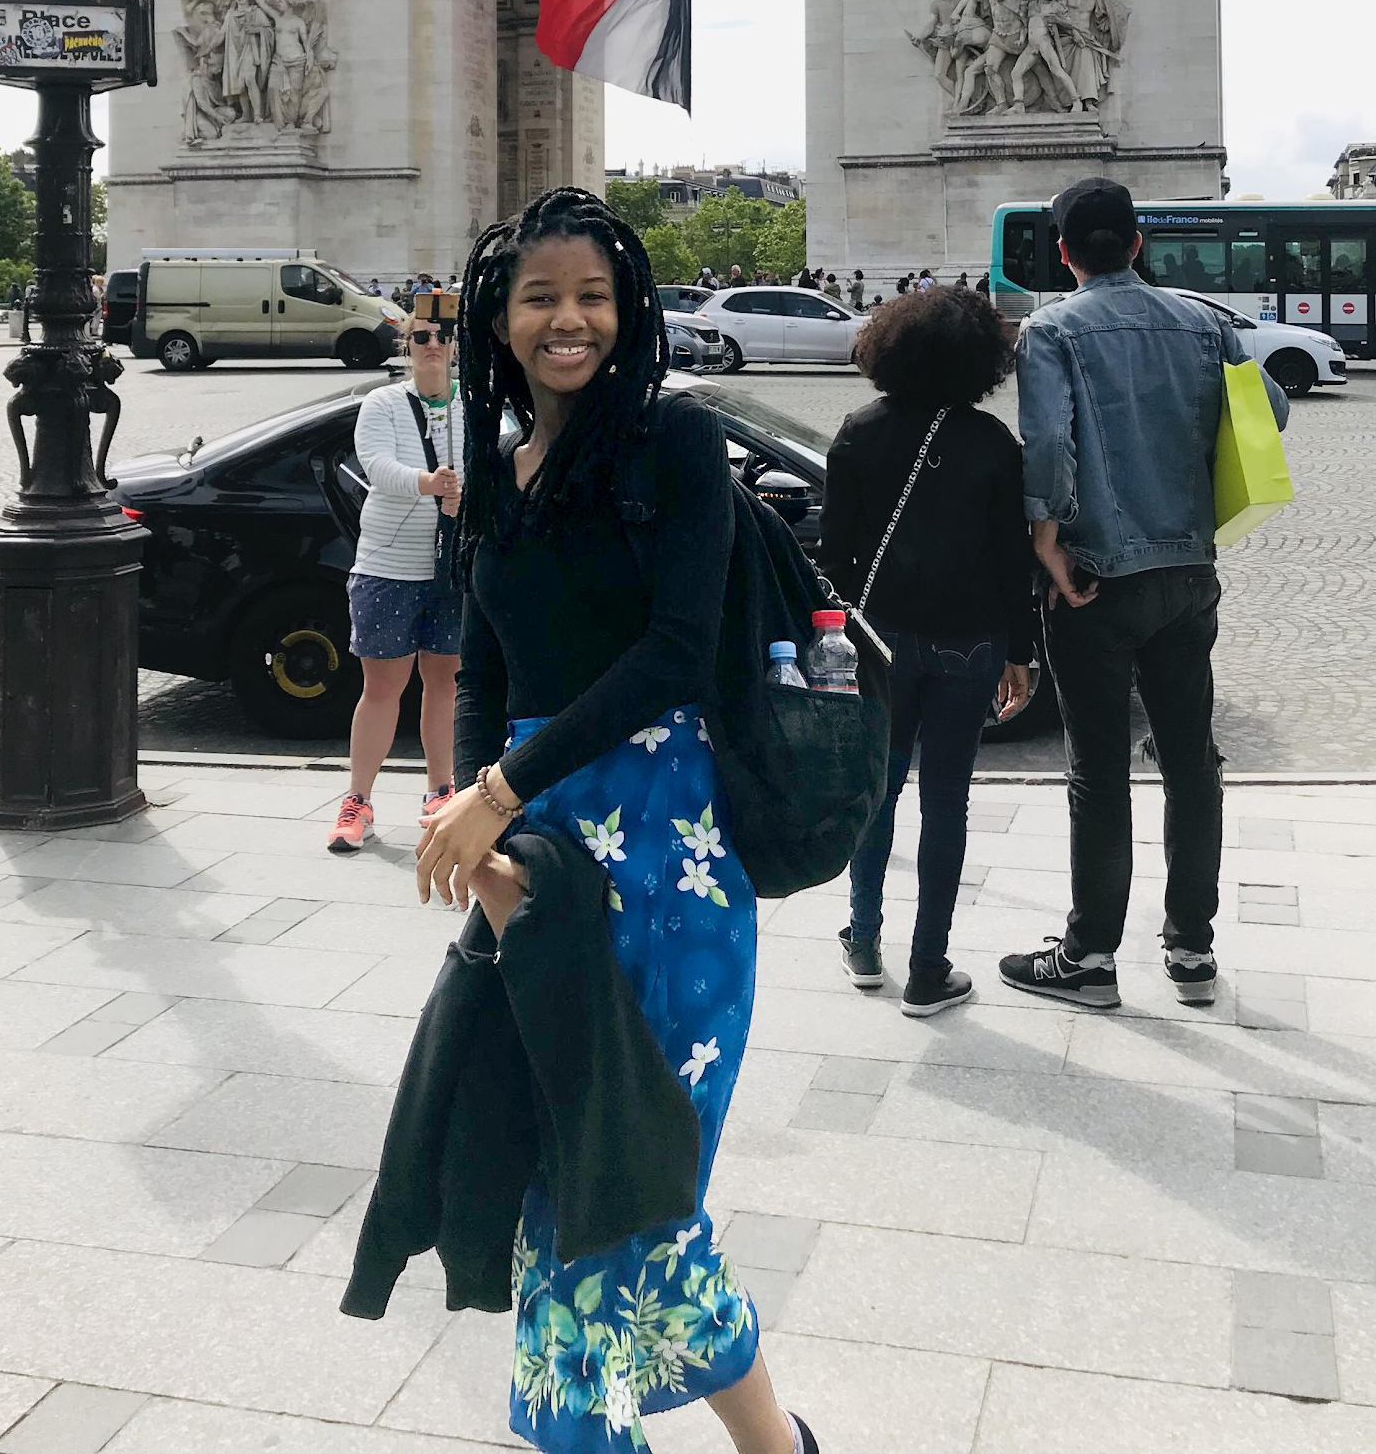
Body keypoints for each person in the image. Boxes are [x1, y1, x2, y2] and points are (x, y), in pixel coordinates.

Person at [417, 188, 821, 1454]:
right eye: (539, 295)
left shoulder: (674, 445)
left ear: (628, 307)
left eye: (591, 293)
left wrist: (495, 791)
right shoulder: (493, 467)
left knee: (611, 1187)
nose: (568, 318)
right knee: (599, 1179)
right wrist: (476, 817)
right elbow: (480, 668)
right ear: (497, 317)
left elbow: (670, 654)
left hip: (667, 851)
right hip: (533, 851)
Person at [1000, 179, 1290, 1011]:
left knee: (1099, 770)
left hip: (1094, 575)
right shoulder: (1206, 322)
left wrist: (1046, 544)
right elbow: (1267, 410)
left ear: (1062, 253)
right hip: (1187, 574)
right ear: (1135, 243)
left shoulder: (1050, 328)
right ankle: (1192, 948)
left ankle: (1090, 954)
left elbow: (1048, 442)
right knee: (1191, 759)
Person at [823, 288, 1033, 1016]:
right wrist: (1022, 652)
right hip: (970, 642)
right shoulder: (992, 444)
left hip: (881, 641)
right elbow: (1014, 562)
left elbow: (837, 560)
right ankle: (927, 966)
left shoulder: (857, 432)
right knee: (947, 804)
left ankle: (865, 941)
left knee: (876, 794)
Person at [327, 310, 467, 854]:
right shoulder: (383, 404)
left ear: (456, 345)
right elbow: (376, 466)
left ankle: (440, 790)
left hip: (451, 567)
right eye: (423, 337)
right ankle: (357, 799)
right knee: (382, 688)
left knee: (445, 681)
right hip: (389, 567)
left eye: (444, 336)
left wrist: (466, 493)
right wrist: (427, 483)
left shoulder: (470, 407)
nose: (434, 346)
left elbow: (494, 465)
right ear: (407, 345)